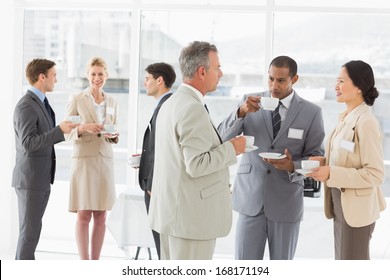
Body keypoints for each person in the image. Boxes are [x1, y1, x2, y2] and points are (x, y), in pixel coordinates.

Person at [218, 55, 325, 260]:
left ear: (294, 79)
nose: (273, 86)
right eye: (270, 79)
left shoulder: (312, 112)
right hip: (251, 199)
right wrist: (240, 112)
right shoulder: (249, 102)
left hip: (286, 202)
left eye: (281, 80)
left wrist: (292, 165)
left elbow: (317, 158)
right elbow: (221, 138)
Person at [148, 41, 246, 260]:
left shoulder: (171, 102)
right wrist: (232, 148)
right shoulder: (192, 107)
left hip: (170, 215)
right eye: (217, 67)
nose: (221, 73)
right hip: (189, 221)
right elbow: (197, 164)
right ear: (202, 71)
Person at [308, 60, 386, 260]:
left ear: (359, 86)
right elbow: (349, 159)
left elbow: (375, 174)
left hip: (356, 213)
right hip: (341, 207)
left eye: (341, 81)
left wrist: (332, 173)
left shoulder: (366, 122)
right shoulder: (346, 117)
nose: (336, 87)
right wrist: (325, 163)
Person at [12, 58, 78, 260]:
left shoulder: (41, 102)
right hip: (30, 180)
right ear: (42, 77)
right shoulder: (26, 106)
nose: (56, 80)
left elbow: (44, 138)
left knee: (32, 233)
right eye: (54, 75)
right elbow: (29, 143)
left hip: (39, 179)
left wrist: (65, 131)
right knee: (29, 235)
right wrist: (59, 131)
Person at [65, 57, 119, 260]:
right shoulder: (77, 99)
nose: (97, 78)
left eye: (101, 74)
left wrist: (114, 136)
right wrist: (84, 127)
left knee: (101, 215)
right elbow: (66, 132)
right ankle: (84, 262)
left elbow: (115, 130)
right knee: (84, 214)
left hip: (105, 160)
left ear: (107, 76)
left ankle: (95, 263)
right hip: (84, 161)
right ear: (87, 75)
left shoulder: (113, 102)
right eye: (93, 74)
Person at [137, 62, 176, 259]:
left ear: (159, 80)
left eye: (147, 79)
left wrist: (152, 183)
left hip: (157, 187)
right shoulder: (163, 105)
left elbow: (165, 149)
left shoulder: (166, 106)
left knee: (164, 247)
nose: (144, 83)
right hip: (155, 184)